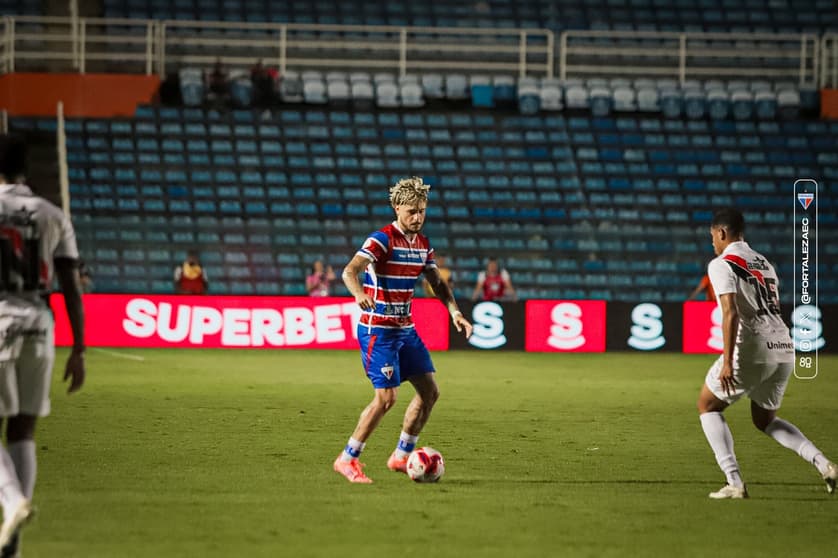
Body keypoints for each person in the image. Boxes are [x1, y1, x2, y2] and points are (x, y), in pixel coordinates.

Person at [333, 177, 473, 484]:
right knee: (386, 398)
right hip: (378, 330)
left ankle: (401, 454)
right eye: (411, 211)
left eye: (422, 211)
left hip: (405, 330)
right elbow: (350, 270)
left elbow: (437, 284)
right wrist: (358, 294)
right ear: (397, 208)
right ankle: (347, 458)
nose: (418, 217)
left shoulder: (423, 245)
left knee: (430, 392)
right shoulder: (382, 239)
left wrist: (455, 312)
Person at [696, 208, 836, 499]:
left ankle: (734, 482)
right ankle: (825, 465)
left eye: (712, 237)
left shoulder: (721, 264)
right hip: (784, 346)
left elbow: (731, 313)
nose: (712, 243)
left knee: (708, 406)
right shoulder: (763, 262)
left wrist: (727, 360)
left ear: (721, 233)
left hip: (753, 347)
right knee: (766, 420)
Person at [0, 134, 86, 553]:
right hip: (40, 323)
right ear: (26, 171)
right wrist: (80, 347)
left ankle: (13, 501)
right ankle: (12, 542)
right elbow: (70, 283)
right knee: (23, 429)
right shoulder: (52, 214)